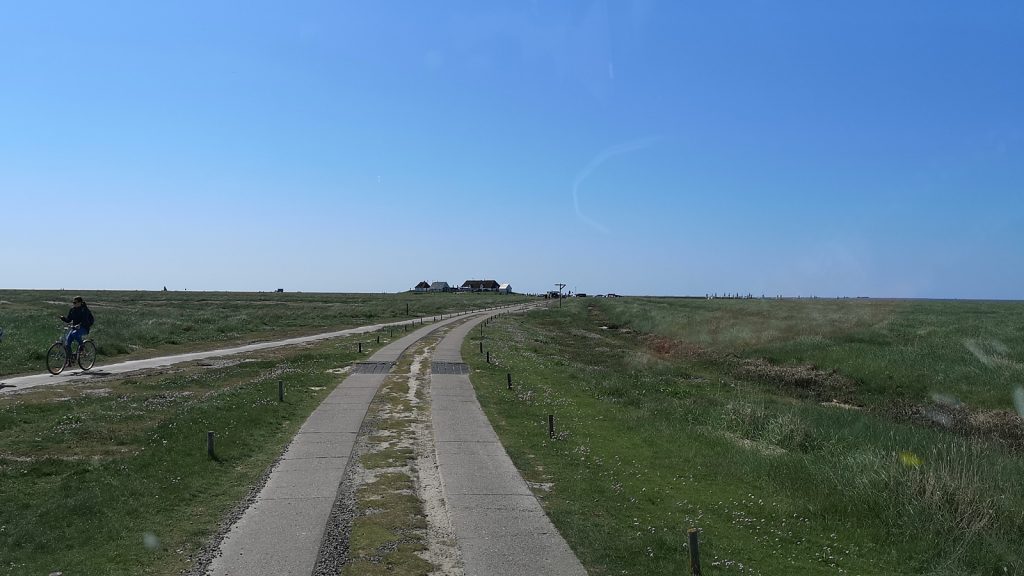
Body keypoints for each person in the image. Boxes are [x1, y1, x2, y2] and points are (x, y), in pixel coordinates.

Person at [60, 296, 94, 365]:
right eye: (73, 302)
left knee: (75, 334)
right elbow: (69, 320)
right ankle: (70, 359)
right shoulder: (72, 310)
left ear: (80, 303)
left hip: (84, 328)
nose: (74, 304)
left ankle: (82, 346)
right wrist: (63, 318)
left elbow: (85, 320)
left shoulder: (84, 310)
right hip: (75, 328)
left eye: (75, 302)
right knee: (67, 343)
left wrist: (80, 325)